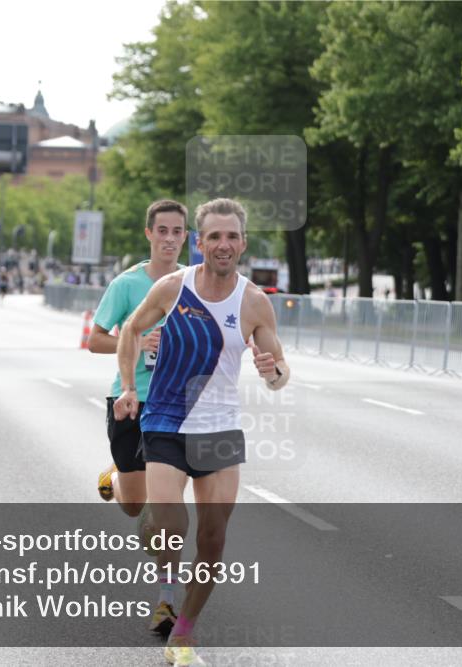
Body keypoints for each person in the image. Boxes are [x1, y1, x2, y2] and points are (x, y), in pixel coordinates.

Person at [113, 198, 290, 666]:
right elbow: (131, 330)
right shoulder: (174, 287)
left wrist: (272, 371)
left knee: (212, 539)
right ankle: (161, 551)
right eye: (214, 236)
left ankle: (182, 637)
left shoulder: (254, 302)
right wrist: (129, 388)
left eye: (232, 236)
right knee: (171, 527)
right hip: (167, 420)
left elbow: (280, 373)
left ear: (243, 243)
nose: (223, 245)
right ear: (199, 242)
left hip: (220, 428)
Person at [89, 199, 188, 636]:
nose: (169, 238)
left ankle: (166, 602)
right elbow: (94, 340)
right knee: (134, 508)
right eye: (162, 230)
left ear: (186, 237)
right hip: (130, 405)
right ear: (149, 234)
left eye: (177, 231)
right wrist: (138, 341)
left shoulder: (194, 285)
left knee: (166, 512)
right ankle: (117, 475)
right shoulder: (127, 285)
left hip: (177, 408)